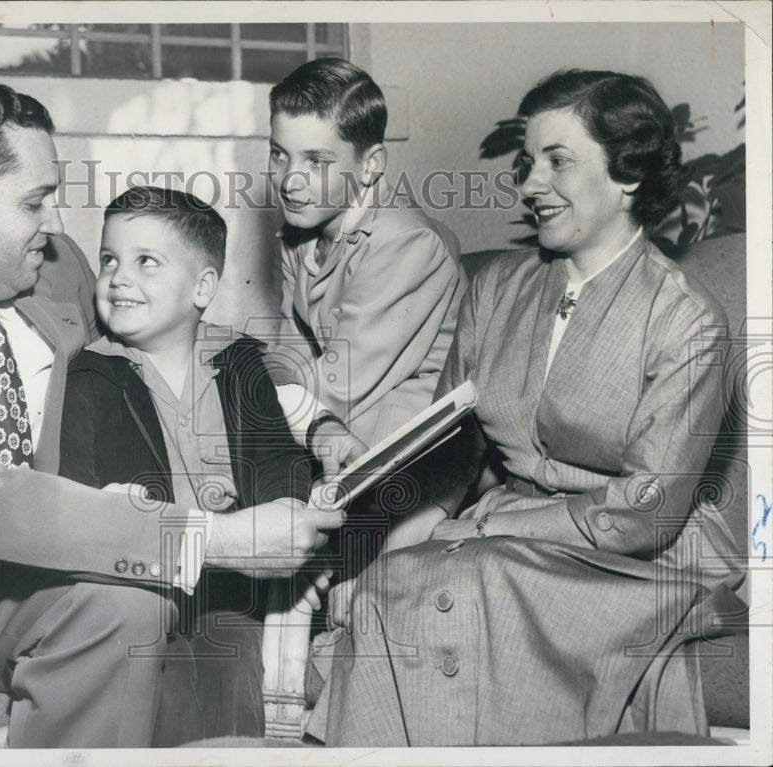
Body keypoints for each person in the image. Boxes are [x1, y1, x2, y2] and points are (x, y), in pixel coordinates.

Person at [0, 78, 344, 749]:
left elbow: (178, 341)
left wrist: (310, 416)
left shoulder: (55, 269)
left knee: (129, 597)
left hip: (12, 578)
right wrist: (213, 537)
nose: (57, 222)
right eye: (36, 200)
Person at [314, 69, 746, 746]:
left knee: (465, 585)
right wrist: (390, 554)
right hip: (505, 537)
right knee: (392, 588)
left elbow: (645, 510)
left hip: (639, 556)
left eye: (558, 161)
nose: (529, 184)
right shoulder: (495, 292)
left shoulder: (688, 320)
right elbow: (451, 449)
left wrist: (493, 524)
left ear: (627, 174)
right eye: (527, 162)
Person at [59, 186, 317, 743]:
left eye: (145, 262)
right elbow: (73, 494)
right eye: (109, 259)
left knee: (233, 687)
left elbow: (280, 457)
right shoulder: (89, 375)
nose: (118, 277)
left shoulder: (241, 362)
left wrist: (288, 507)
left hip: (231, 587)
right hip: (136, 589)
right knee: (161, 696)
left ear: (202, 288)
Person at [267, 58, 466, 449]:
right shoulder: (298, 234)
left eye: (316, 161)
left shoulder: (406, 243)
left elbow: (341, 384)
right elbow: (289, 353)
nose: (289, 180)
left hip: (410, 439)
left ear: (370, 164)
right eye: (278, 154)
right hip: (336, 415)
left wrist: (246, 399)